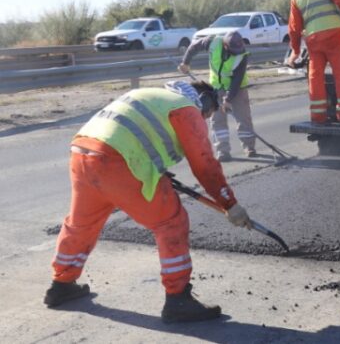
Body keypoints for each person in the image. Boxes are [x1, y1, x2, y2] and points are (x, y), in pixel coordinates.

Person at [44, 80, 252, 323]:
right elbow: (205, 165)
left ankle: (61, 284)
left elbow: (136, 135)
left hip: (83, 153)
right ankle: (179, 300)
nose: (204, 119)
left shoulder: (150, 96)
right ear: (204, 100)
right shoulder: (186, 109)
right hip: (118, 162)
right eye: (207, 113)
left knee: (81, 224)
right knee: (171, 222)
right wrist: (229, 204)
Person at [179, 30, 256, 161]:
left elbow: (236, 80)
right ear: (225, 45)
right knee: (217, 120)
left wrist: (228, 99)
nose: (235, 53)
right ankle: (223, 151)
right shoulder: (212, 42)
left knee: (243, 118)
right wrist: (185, 62)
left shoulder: (242, 55)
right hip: (216, 87)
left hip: (237, 88)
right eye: (233, 51)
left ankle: (249, 147)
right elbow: (194, 47)